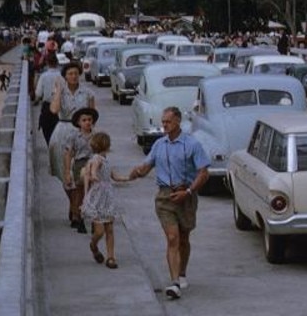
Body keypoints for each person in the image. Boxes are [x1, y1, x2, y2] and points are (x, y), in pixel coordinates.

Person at [125, 106, 210, 300]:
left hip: (186, 195)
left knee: (184, 238)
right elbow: (146, 167)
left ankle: (182, 273)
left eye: (168, 122)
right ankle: (174, 283)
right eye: (162, 122)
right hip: (164, 197)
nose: (164, 125)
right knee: (172, 238)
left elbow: (204, 173)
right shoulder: (159, 145)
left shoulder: (192, 144)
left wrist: (188, 192)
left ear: (178, 121)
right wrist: (136, 172)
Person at [49, 62, 99, 212]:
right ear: (65, 76)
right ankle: (74, 207)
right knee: (65, 171)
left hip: (82, 132)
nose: (73, 76)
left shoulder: (88, 93)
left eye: (76, 73)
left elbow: (92, 114)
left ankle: (76, 209)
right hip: (63, 130)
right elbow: (54, 109)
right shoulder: (60, 92)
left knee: (81, 171)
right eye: (70, 74)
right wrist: (58, 90)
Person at [81, 131, 124, 268]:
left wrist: (130, 177)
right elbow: (93, 170)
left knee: (109, 228)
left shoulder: (105, 161)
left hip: (107, 197)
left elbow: (115, 176)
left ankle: (111, 257)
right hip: (98, 197)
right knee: (100, 231)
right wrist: (94, 176)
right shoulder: (97, 159)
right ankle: (93, 244)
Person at [64, 107, 99, 232]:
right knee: (80, 191)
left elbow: (102, 152)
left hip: (94, 163)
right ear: (79, 123)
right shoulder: (73, 136)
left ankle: (95, 221)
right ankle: (79, 218)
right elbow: (68, 153)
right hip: (80, 163)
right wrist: (67, 172)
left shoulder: (96, 136)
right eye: (84, 120)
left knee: (95, 191)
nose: (87, 122)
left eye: (89, 120)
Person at [34, 54, 63, 143]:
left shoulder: (43, 76)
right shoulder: (62, 76)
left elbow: (38, 94)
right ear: (57, 63)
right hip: (60, 107)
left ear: (47, 63)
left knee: (48, 134)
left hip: (47, 107)